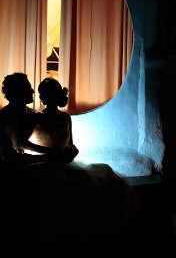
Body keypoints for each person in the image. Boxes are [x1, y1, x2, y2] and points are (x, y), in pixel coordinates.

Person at [22, 77, 141, 242]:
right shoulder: (36, 118)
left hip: (64, 162)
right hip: (45, 164)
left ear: (56, 95)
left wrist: (73, 152)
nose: (44, 97)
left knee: (103, 176)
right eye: (42, 93)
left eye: (48, 93)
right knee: (71, 185)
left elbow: (70, 144)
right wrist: (49, 152)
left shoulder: (65, 118)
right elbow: (22, 143)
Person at [0, 72, 76, 192]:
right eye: (28, 88)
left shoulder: (32, 114)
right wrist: (49, 156)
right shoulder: (1, 119)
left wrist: (64, 151)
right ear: (17, 92)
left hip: (23, 167)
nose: (33, 91)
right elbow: (11, 157)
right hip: (1, 169)